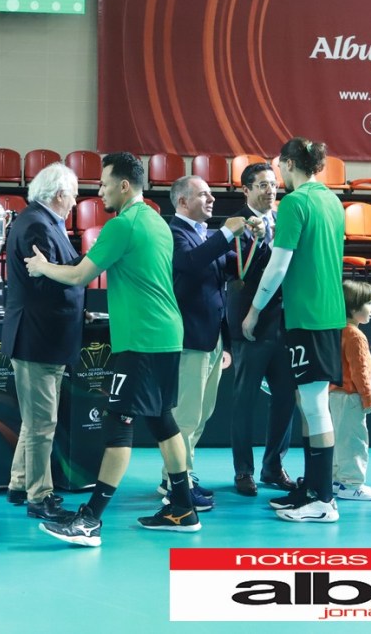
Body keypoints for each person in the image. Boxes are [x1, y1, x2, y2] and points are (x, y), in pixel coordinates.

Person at [25, 152, 199, 546]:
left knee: (119, 422)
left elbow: (79, 275)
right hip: (168, 335)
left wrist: (42, 267)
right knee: (163, 420)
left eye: (104, 184)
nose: (99, 191)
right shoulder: (156, 221)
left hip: (141, 339)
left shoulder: (122, 225)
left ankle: (90, 520)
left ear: (124, 185)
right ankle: (183, 508)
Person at [242, 136, 346, 523]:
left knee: (315, 406)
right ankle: (312, 488)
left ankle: (322, 500)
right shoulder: (331, 200)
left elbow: (278, 265)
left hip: (310, 316)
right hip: (322, 313)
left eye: (278, 167)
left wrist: (254, 310)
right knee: (309, 403)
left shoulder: (295, 203)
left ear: (287, 164)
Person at [160, 175, 251, 510]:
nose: (212, 199)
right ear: (183, 201)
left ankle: (178, 475)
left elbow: (234, 269)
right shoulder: (173, 233)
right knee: (186, 416)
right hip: (189, 339)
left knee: (200, 415)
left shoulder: (206, 236)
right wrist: (227, 233)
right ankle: (177, 484)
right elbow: (189, 263)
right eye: (204, 194)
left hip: (211, 339)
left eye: (211, 193)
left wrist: (255, 240)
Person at [1, 162, 81, 522]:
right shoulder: (37, 225)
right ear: (59, 194)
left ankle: (19, 484)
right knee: (41, 424)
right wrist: (87, 266)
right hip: (38, 337)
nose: (76, 202)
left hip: (42, 337)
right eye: (73, 195)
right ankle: (39, 496)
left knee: (35, 421)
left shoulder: (39, 221)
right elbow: (49, 282)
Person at [226, 162, 298, 496]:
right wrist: (256, 241)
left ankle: (273, 466)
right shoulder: (234, 224)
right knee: (244, 401)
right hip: (248, 323)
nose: (270, 190)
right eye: (262, 185)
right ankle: (244, 470)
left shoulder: (284, 220)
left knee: (285, 397)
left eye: (273, 184)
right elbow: (242, 271)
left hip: (283, 323)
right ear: (246, 190)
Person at [329, 280, 371, 501]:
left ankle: (336, 480)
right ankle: (351, 484)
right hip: (351, 397)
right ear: (353, 307)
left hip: (334, 395)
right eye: (368, 303)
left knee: (338, 440)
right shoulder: (355, 336)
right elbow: (360, 371)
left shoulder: (338, 331)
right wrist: (367, 397)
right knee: (353, 441)